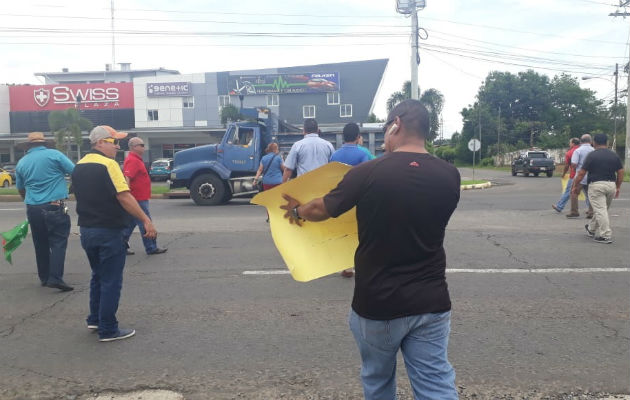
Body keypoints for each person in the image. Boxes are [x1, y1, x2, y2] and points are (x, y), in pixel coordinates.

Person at [280, 100, 460, 399]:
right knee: (436, 384)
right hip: (432, 302)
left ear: (396, 124)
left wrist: (298, 212)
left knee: (378, 380)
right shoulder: (450, 176)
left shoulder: (367, 173)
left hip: (378, 302)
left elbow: (322, 209)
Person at [72, 125, 157, 342]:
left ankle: (95, 318)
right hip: (108, 230)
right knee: (111, 280)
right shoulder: (109, 165)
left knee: (98, 275)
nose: (118, 147)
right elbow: (124, 197)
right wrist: (146, 219)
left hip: (87, 230)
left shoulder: (79, 165)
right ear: (100, 143)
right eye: (114, 142)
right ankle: (108, 329)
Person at [15, 132, 75, 291]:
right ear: (45, 143)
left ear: (28, 146)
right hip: (54, 205)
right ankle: (55, 278)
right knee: (58, 242)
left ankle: (44, 277)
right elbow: (75, 171)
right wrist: (70, 188)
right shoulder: (55, 155)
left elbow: (20, 188)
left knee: (40, 243)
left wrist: (29, 201)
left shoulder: (21, 162)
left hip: (33, 207)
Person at [329, 122, 371, 278]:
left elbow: (330, 178)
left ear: (342, 137)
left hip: (340, 199)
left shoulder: (334, 155)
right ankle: (359, 264)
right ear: (358, 137)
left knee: (343, 232)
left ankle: (345, 266)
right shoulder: (362, 155)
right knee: (358, 233)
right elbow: (367, 178)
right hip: (359, 200)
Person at [573, 133, 624, 244]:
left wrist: (575, 185)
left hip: (596, 185)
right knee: (602, 209)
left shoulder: (592, 155)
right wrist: (618, 186)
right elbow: (620, 172)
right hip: (611, 185)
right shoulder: (614, 155)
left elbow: (581, 173)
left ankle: (605, 235)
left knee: (600, 210)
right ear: (607, 142)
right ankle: (591, 229)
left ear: (594, 142)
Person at [122, 137, 167, 256]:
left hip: (138, 198)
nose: (144, 147)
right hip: (138, 198)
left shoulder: (137, 159)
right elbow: (127, 178)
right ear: (133, 147)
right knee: (146, 222)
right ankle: (151, 247)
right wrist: (127, 196)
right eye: (141, 145)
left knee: (130, 223)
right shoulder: (133, 160)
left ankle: (121, 245)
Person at [282, 118, 334, 182]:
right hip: (323, 186)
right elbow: (333, 168)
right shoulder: (328, 145)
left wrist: (283, 187)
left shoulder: (297, 145)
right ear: (318, 130)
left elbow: (288, 169)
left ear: (303, 131)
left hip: (304, 187)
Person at [567, 134, 594, 218]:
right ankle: (591, 212)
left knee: (574, 192)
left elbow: (574, 164)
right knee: (591, 195)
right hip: (591, 176)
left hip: (580, 176)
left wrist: (575, 171)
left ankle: (574, 211)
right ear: (590, 141)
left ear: (581, 141)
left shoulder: (578, 150)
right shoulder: (594, 150)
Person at [552, 137, 580, 213]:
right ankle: (591, 209)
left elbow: (567, 166)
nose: (569, 144)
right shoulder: (583, 150)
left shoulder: (570, 152)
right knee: (588, 193)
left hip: (574, 175)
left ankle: (559, 206)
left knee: (568, 191)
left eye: (570, 143)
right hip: (586, 175)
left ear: (573, 143)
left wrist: (563, 174)